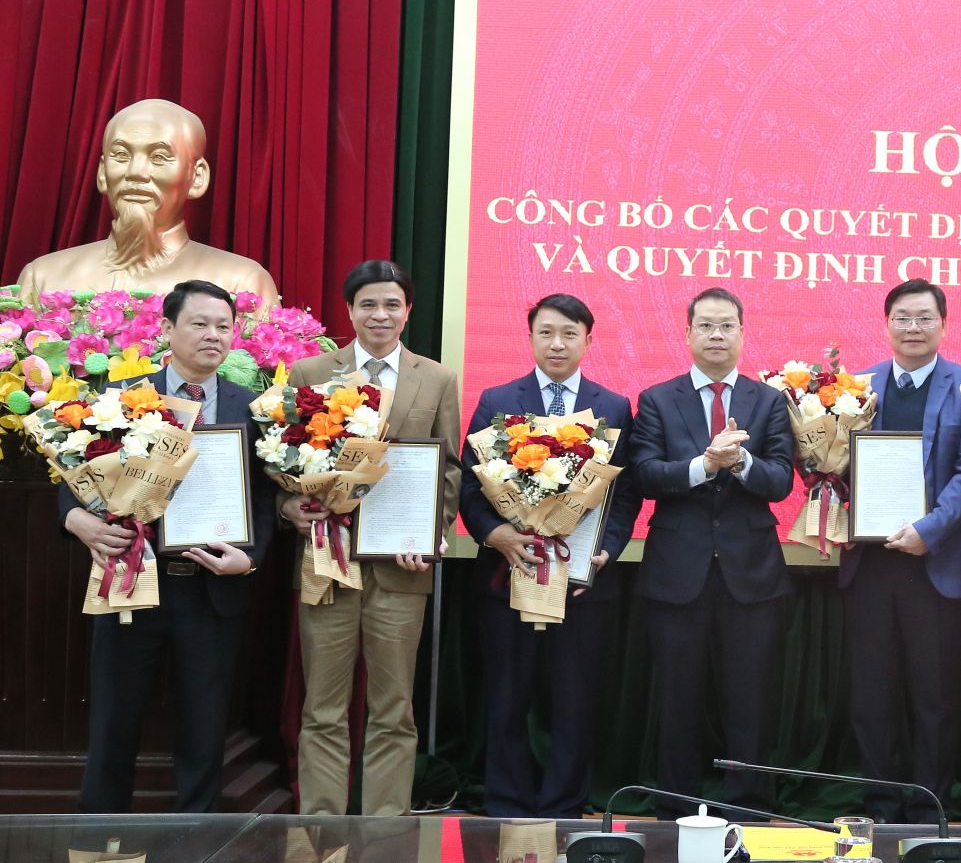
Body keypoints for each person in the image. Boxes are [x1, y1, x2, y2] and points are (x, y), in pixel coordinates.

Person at [60, 279, 276, 812]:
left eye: (223, 326)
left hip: (211, 589)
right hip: (133, 581)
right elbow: (72, 473)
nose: (213, 335)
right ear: (167, 329)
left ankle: (196, 840)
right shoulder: (124, 398)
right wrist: (75, 520)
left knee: (205, 731)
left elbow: (266, 499)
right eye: (200, 323)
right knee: (114, 722)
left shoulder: (254, 409)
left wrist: (250, 559)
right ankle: (100, 837)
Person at [280, 259, 463, 816]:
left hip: (401, 569)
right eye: (368, 304)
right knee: (323, 709)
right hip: (326, 565)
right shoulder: (310, 372)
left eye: (391, 304)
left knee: (394, 708)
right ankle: (321, 828)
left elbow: (449, 471)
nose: (379, 314)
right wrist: (289, 506)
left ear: (408, 312)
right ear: (349, 310)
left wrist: (430, 534)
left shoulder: (437, 379)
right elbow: (281, 460)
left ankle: (385, 831)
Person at [458, 293, 639, 817]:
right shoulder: (497, 399)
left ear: (588, 340)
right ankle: (506, 802)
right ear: (531, 337)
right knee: (507, 695)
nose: (557, 344)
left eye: (569, 334)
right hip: (508, 574)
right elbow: (471, 485)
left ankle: (565, 804)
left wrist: (607, 549)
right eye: (546, 333)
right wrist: (496, 534)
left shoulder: (612, 407)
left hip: (581, 582)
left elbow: (625, 493)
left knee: (574, 700)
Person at [630, 287, 795, 817]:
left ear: (743, 333)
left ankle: (748, 809)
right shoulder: (658, 399)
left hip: (752, 576)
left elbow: (781, 480)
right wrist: (705, 464)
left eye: (727, 326)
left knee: (750, 701)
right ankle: (677, 809)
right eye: (705, 325)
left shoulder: (769, 401)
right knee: (677, 700)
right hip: (677, 575)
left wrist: (739, 462)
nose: (716, 335)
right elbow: (645, 474)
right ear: (688, 334)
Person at [840, 279, 961, 824]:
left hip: (937, 564)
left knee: (936, 696)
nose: (913, 328)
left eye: (925, 317)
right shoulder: (854, 389)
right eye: (903, 317)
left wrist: (930, 529)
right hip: (871, 566)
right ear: (886, 324)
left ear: (944, 325)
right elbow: (836, 465)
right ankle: (880, 807)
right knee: (872, 695)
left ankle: (930, 811)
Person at [18, 99, 277, 304]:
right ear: (102, 173)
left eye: (159, 157)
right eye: (121, 155)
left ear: (197, 177)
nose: (136, 172)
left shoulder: (242, 285)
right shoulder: (44, 278)